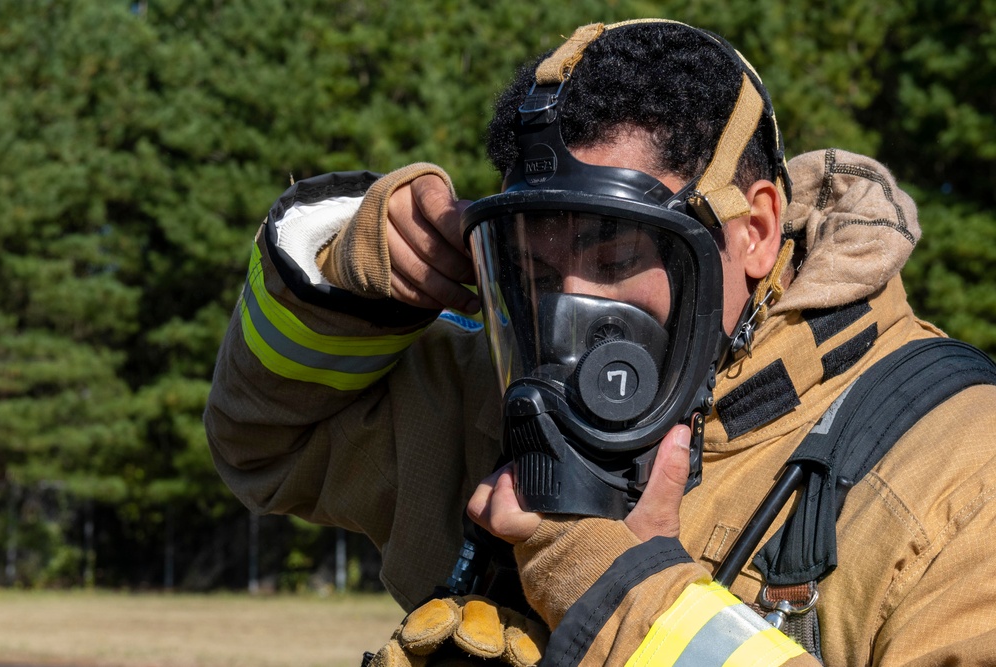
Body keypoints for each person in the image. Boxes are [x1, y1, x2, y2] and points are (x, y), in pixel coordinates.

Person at [205, 19, 996, 666]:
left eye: (617, 256)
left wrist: (617, 590)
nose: (570, 316)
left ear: (754, 231)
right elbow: (263, 444)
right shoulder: (502, 392)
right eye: (537, 270)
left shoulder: (958, 472)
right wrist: (345, 282)